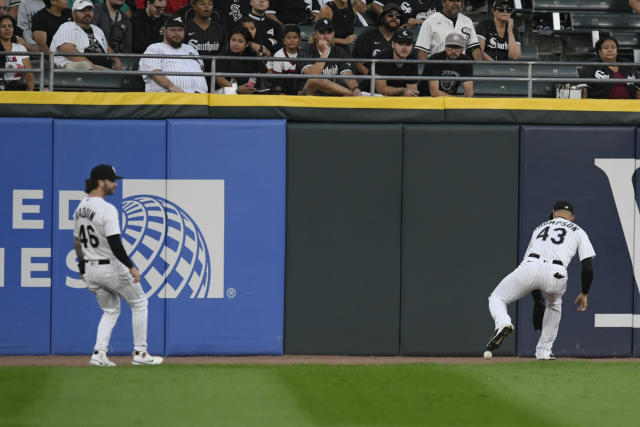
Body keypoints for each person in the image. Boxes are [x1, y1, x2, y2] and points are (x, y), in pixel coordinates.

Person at [73, 164, 163, 367]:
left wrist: (82, 269)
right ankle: (140, 353)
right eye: (112, 180)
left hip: (91, 269)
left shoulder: (80, 208)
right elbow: (115, 243)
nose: (115, 184)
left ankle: (99, 354)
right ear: (100, 182)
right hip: (110, 267)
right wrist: (131, 267)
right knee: (139, 303)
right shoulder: (107, 209)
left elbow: (77, 243)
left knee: (110, 310)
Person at [486, 201, 595, 360]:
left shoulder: (539, 228)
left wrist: (536, 297)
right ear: (572, 218)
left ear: (553, 213)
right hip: (556, 273)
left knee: (497, 298)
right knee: (554, 305)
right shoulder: (579, 231)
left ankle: (503, 323)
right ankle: (544, 351)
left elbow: (530, 267)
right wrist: (585, 292)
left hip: (530, 266)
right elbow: (587, 267)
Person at [139, 16, 208, 92]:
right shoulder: (154, 48)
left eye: (180, 30)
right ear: (165, 31)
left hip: (198, 98)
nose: (177, 33)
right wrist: (171, 87)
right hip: (168, 97)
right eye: (173, 30)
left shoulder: (191, 49)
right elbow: (154, 72)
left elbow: (202, 70)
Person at [296, 18, 362, 96]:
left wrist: (355, 88)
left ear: (333, 34)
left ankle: (355, 94)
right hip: (308, 95)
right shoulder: (305, 50)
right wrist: (325, 52)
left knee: (347, 94)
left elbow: (347, 74)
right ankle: (353, 95)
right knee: (315, 80)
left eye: (329, 32)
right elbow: (313, 76)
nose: (326, 36)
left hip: (330, 94)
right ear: (315, 35)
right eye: (322, 32)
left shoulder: (339, 51)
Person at [50, 0, 122, 70]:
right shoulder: (67, 26)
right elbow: (67, 49)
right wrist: (91, 66)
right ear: (73, 14)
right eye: (82, 10)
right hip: (77, 70)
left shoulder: (97, 30)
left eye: (90, 10)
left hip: (101, 69)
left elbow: (106, 47)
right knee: (84, 66)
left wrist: (116, 60)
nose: (87, 13)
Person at [352, 2, 403, 91]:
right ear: (382, 17)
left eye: (398, 16)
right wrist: (372, 76)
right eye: (390, 15)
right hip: (369, 84)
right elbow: (357, 63)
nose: (394, 18)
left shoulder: (401, 38)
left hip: (394, 83)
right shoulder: (367, 36)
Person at [415, 0, 481, 60]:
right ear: (443, 3)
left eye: (458, 1)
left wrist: (479, 69)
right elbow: (421, 51)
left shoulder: (467, 21)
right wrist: (425, 71)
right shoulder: (429, 21)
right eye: (452, 1)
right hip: (437, 68)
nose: (455, 3)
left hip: (460, 69)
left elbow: (475, 48)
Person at [419, 31, 472, 97]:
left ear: (463, 48)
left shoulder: (466, 61)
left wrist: (463, 103)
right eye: (450, 47)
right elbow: (434, 93)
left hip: (449, 101)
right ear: (445, 46)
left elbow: (469, 92)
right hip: (427, 99)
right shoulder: (435, 59)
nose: (453, 51)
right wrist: (458, 101)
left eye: (457, 48)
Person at [215, 25, 266, 93]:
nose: (235, 44)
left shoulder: (252, 57)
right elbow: (219, 79)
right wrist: (237, 89)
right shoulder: (222, 56)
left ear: (247, 44)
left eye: (240, 41)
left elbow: (266, 74)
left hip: (251, 95)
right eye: (233, 40)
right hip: (227, 95)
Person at [373, 28, 419, 96]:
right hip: (372, 97)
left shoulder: (413, 59)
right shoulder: (381, 57)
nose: (404, 47)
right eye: (400, 43)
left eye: (408, 44)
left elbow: (412, 88)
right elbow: (381, 90)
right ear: (393, 44)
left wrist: (411, 92)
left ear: (412, 46)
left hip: (398, 99)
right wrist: (403, 90)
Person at [186, 0, 227, 75]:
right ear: (194, 6)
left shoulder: (220, 30)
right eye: (202, 4)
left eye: (210, 4)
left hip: (215, 74)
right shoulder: (186, 28)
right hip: (191, 73)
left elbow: (224, 54)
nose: (207, 6)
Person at [0, 14, 34, 90]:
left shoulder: (21, 48)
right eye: (4, 26)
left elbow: (29, 74)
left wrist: (31, 93)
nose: (7, 29)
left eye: (10, 26)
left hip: (18, 88)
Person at [267, 23, 301, 94]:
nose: (292, 40)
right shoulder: (278, 55)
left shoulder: (304, 53)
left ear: (299, 41)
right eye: (288, 38)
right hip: (284, 88)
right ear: (284, 41)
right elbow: (278, 79)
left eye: (295, 37)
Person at [371, 0, 440, 28]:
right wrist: (395, 23)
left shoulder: (440, 2)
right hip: (402, 37)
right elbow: (375, 5)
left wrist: (421, 21)